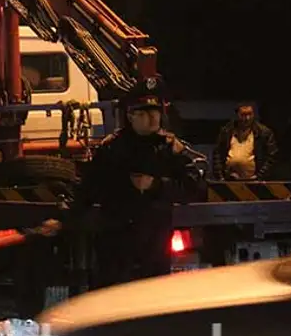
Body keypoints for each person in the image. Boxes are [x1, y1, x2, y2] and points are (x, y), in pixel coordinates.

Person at [76, 76, 204, 289]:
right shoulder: (112, 150)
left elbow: (195, 189)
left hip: (153, 248)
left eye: (155, 112)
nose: (152, 118)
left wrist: (156, 185)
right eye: (144, 113)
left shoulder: (170, 149)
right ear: (130, 116)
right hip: (116, 247)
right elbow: (88, 189)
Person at [212, 102, 278, 181]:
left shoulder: (263, 133)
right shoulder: (227, 131)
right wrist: (220, 177)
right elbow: (217, 154)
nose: (247, 118)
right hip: (229, 180)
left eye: (250, 114)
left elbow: (272, 156)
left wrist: (260, 176)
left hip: (255, 182)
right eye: (243, 115)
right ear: (237, 115)